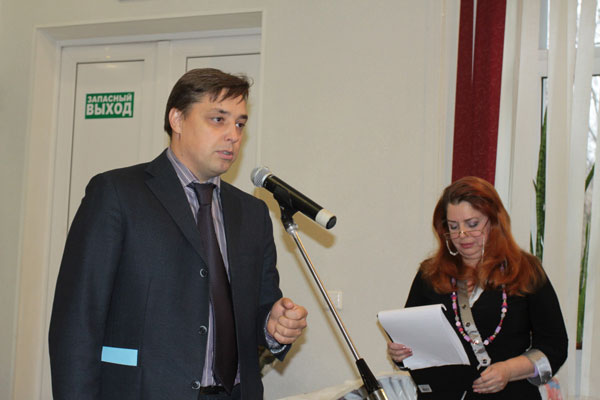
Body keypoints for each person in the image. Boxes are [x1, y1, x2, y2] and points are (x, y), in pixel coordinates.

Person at [49, 68, 308, 400]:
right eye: (218, 119)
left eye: (240, 124)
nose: (233, 135)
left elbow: (260, 308)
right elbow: (76, 322)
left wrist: (274, 325)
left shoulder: (252, 213)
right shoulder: (117, 194)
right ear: (178, 119)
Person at [387, 176, 567, 399]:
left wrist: (508, 370)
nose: (462, 235)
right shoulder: (430, 274)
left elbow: (555, 347)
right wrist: (400, 353)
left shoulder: (525, 271)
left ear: (494, 221)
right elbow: (410, 344)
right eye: (453, 227)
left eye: (472, 224)